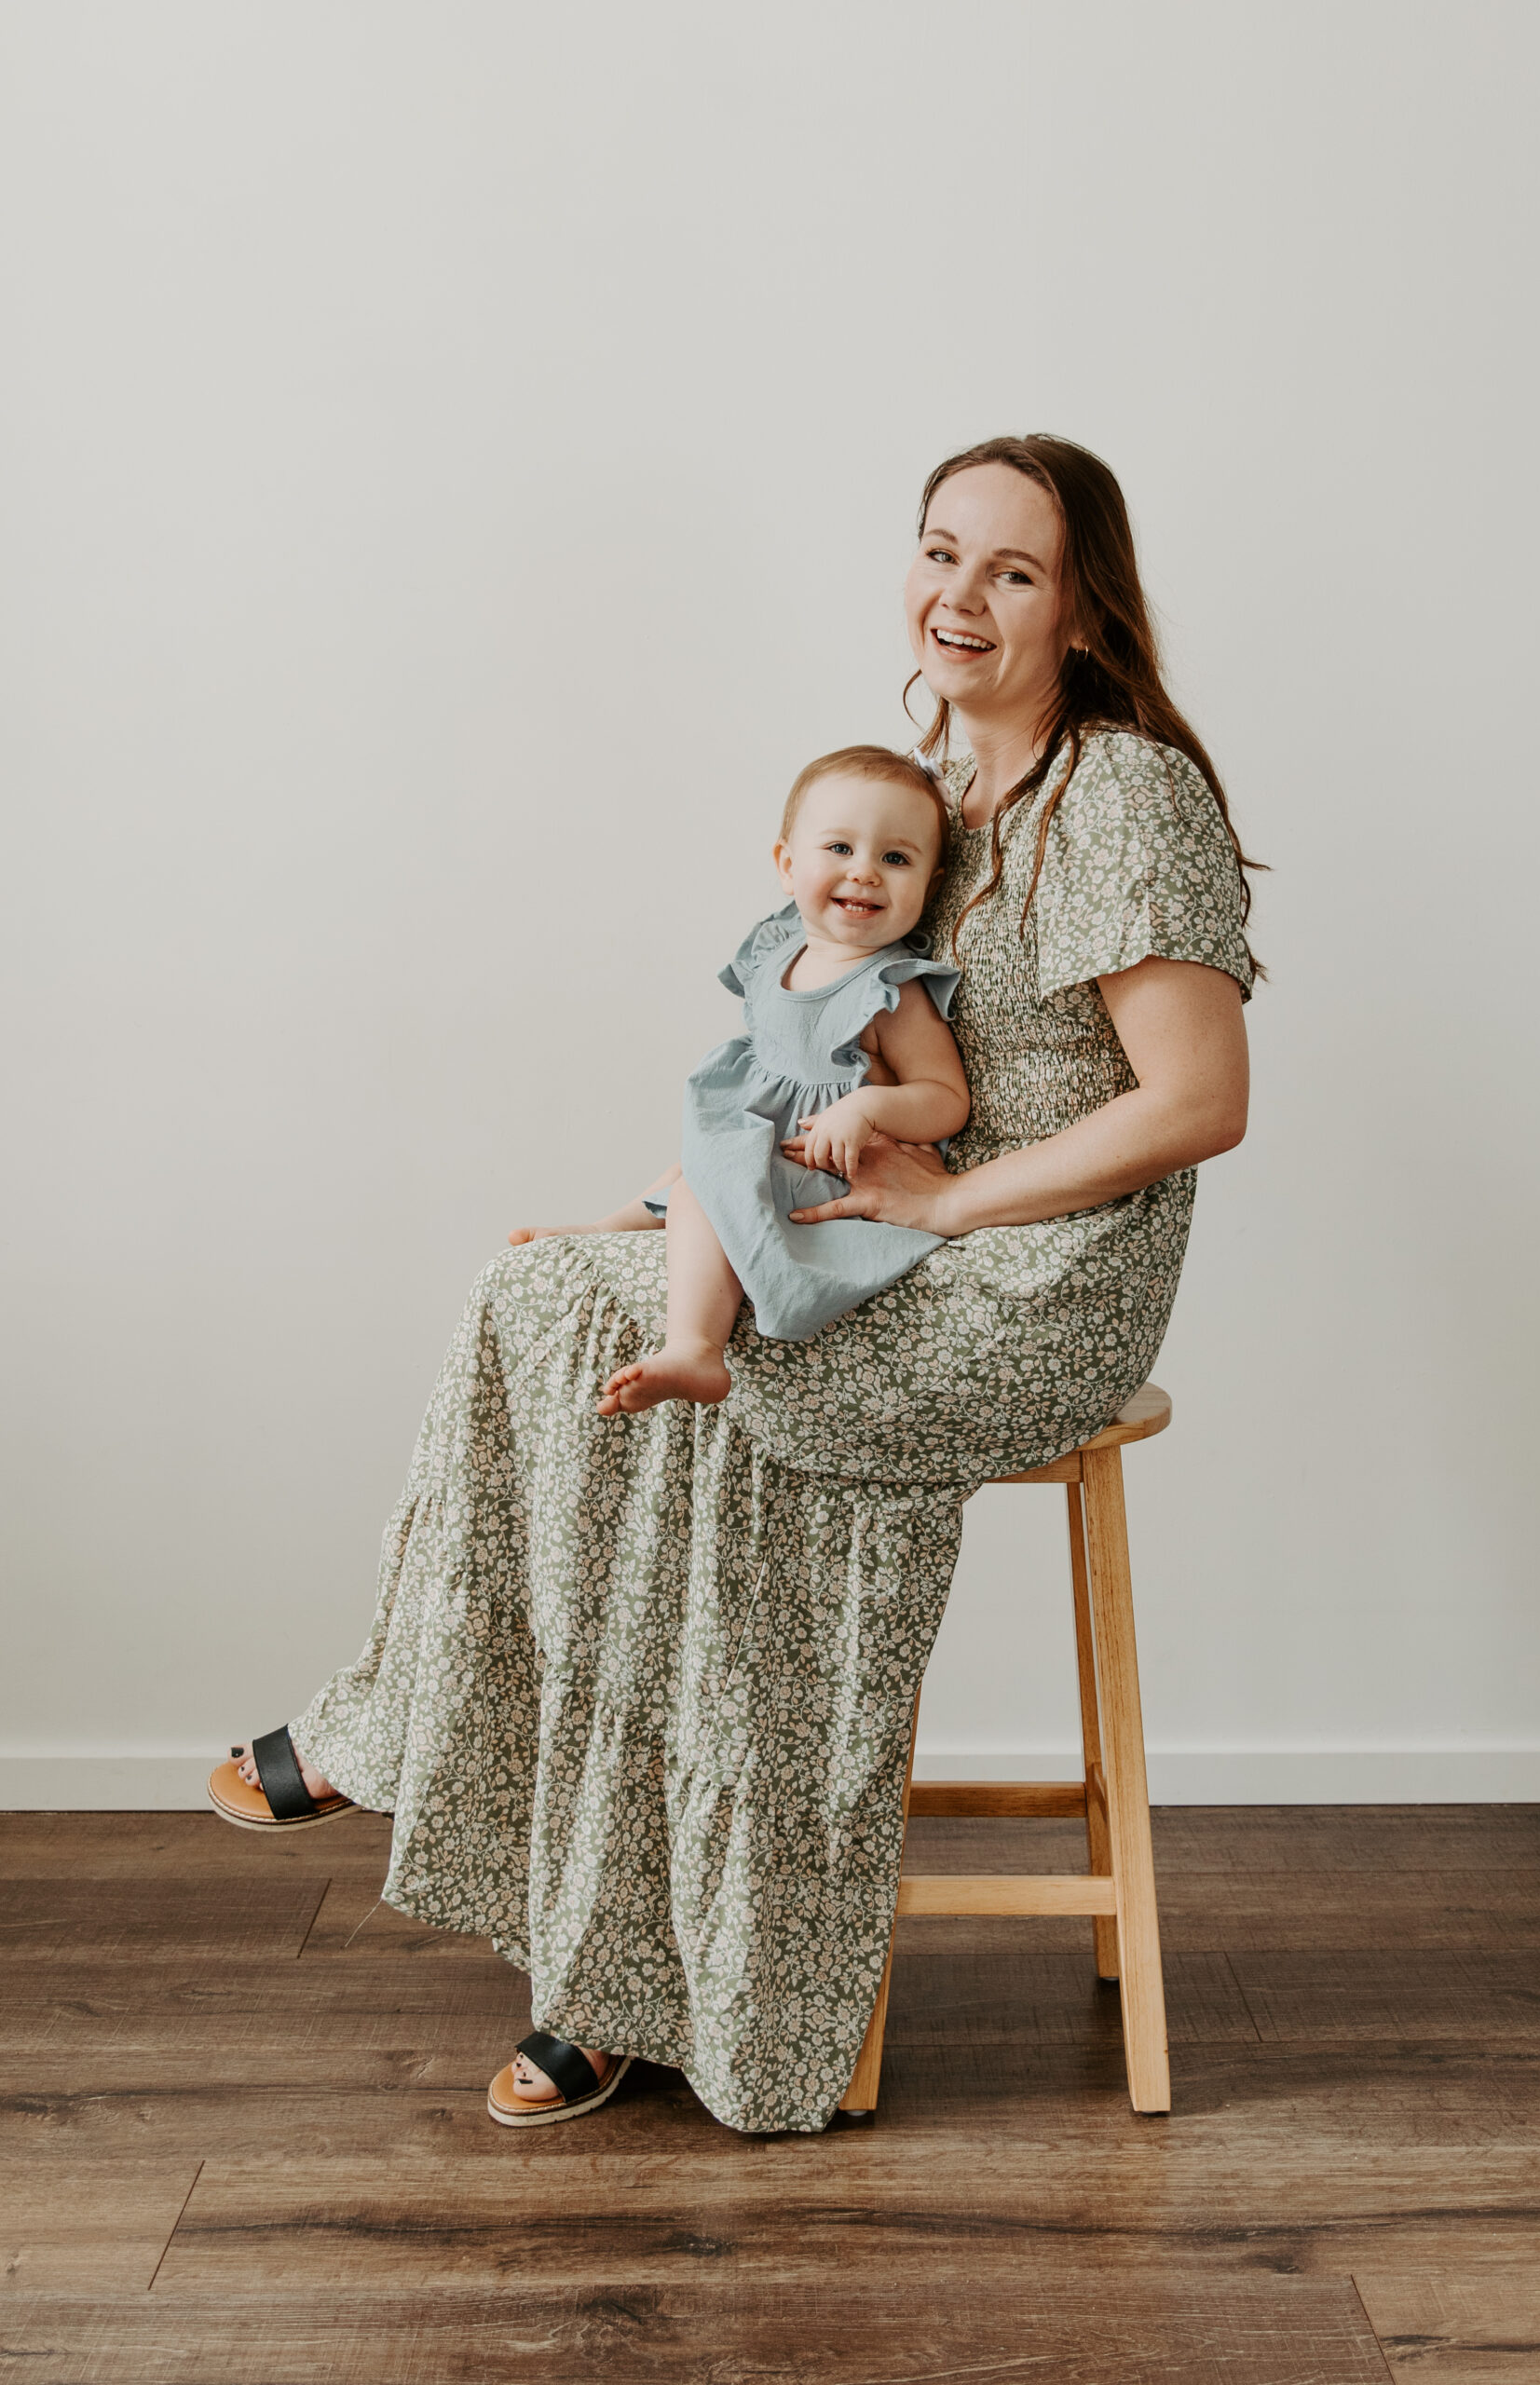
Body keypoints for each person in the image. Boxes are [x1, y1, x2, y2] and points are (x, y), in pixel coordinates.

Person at [207, 432, 1258, 2136]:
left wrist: (954, 1205)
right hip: (899, 1235)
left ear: (1079, 610)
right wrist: (669, 1206)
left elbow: (1197, 1104)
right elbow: (802, 1071)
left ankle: (619, 1961)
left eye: (1010, 569)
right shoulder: (929, 799)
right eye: (938, 551)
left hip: (1037, 1282)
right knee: (540, 1302)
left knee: (705, 1412)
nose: (959, 596)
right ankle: (575, 1914)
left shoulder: (1119, 790)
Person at [597, 743, 968, 1417]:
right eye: (839, 848)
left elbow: (945, 1100)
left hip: (819, 1163)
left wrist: (869, 1109)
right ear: (787, 864)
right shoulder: (778, 948)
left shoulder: (890, 990)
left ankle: (695, 1349)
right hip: (756, 1134)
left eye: (895, 858)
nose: (865, 873)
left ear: (930, 884)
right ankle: (608, 1225)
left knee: (701, 1191)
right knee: (693, 1168)